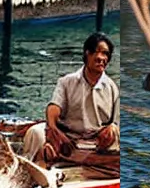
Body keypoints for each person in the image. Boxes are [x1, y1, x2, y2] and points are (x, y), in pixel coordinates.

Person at [23, 32, 118, 164]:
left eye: (106, 54)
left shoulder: (112, 87)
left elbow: (117, 121)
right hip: (67, 136)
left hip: (97, 141)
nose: (102, 58)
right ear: (87, 53)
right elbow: (54, 108)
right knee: (35, 133)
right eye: (98, 52)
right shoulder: (67, 81)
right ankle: (34, 168)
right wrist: (54, 128)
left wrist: (111, 129)